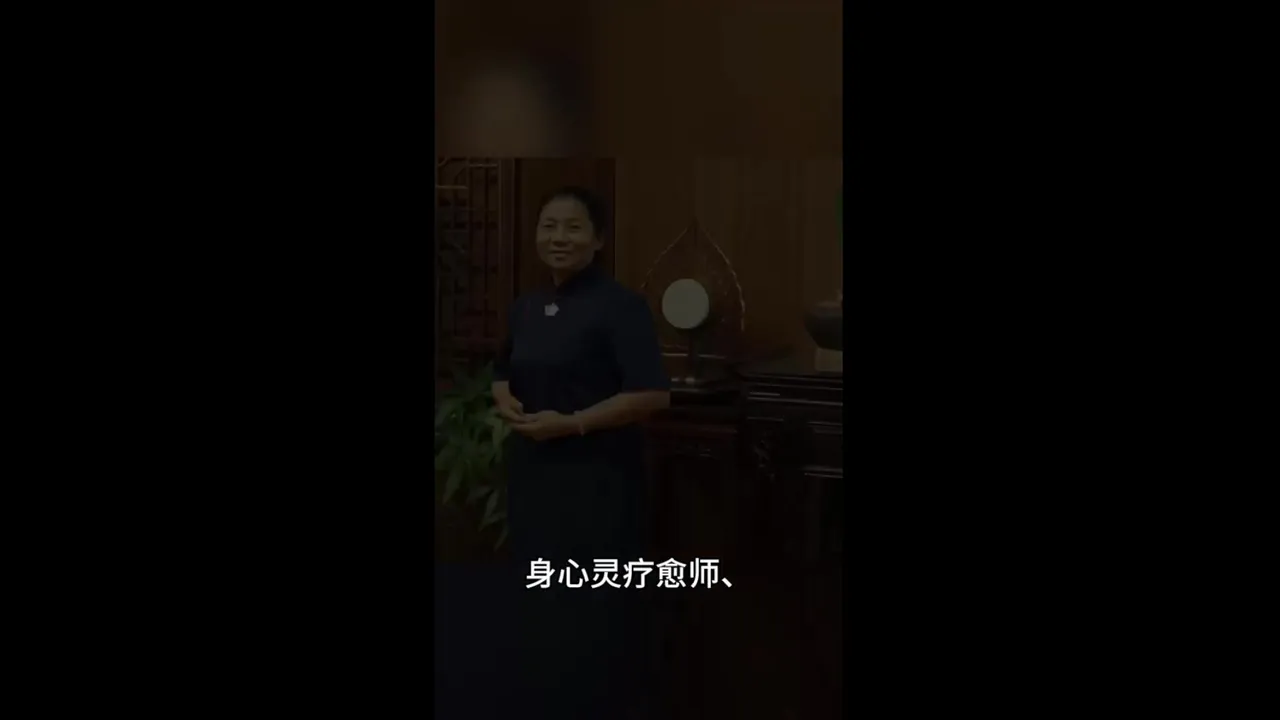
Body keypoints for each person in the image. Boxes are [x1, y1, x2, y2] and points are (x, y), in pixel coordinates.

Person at [493, 186, 671, 717]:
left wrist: (572, 424)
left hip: (598, 481)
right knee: (540, 604)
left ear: (598, 239)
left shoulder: (621, 306)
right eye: (549, 226)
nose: (558, 238)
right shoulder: (526, 307)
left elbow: (652, 394)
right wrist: (505, 402)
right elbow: (501, 371)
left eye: (573, 227)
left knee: (597, 613)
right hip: (534, 475)